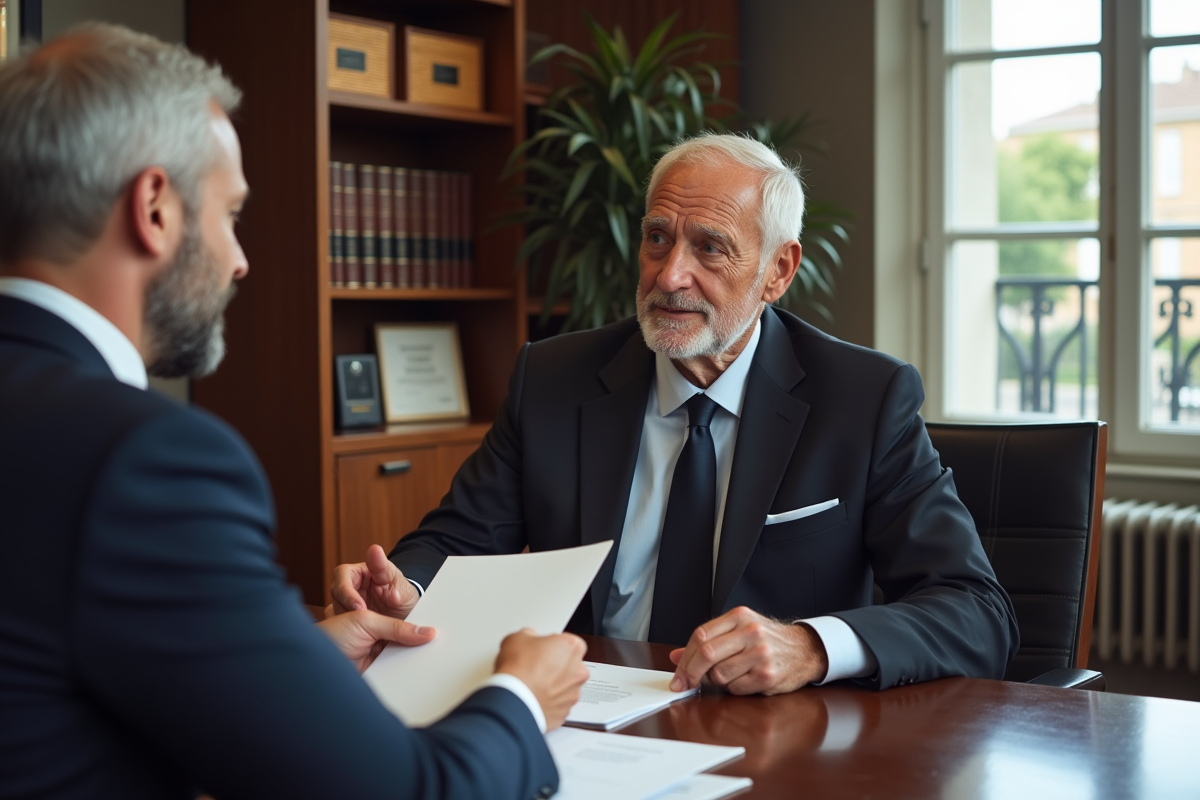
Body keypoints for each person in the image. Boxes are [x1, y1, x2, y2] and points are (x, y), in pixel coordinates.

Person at [0, 25, 587, 800]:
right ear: (154, 208)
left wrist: (280, 663)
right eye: (231, 214)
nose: (241, 260)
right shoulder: (145, 460)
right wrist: (520, 696)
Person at [332, 133, 1019, 696]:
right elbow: (456, 538)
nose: (668, 276)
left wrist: (811, 645)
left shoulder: (863, 399)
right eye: (658, 238)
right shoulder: (553, 379)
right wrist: (408, 587)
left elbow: (976, 612)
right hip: (585, 714)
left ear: (778, 271)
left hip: (780, 742)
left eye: (709, 247)